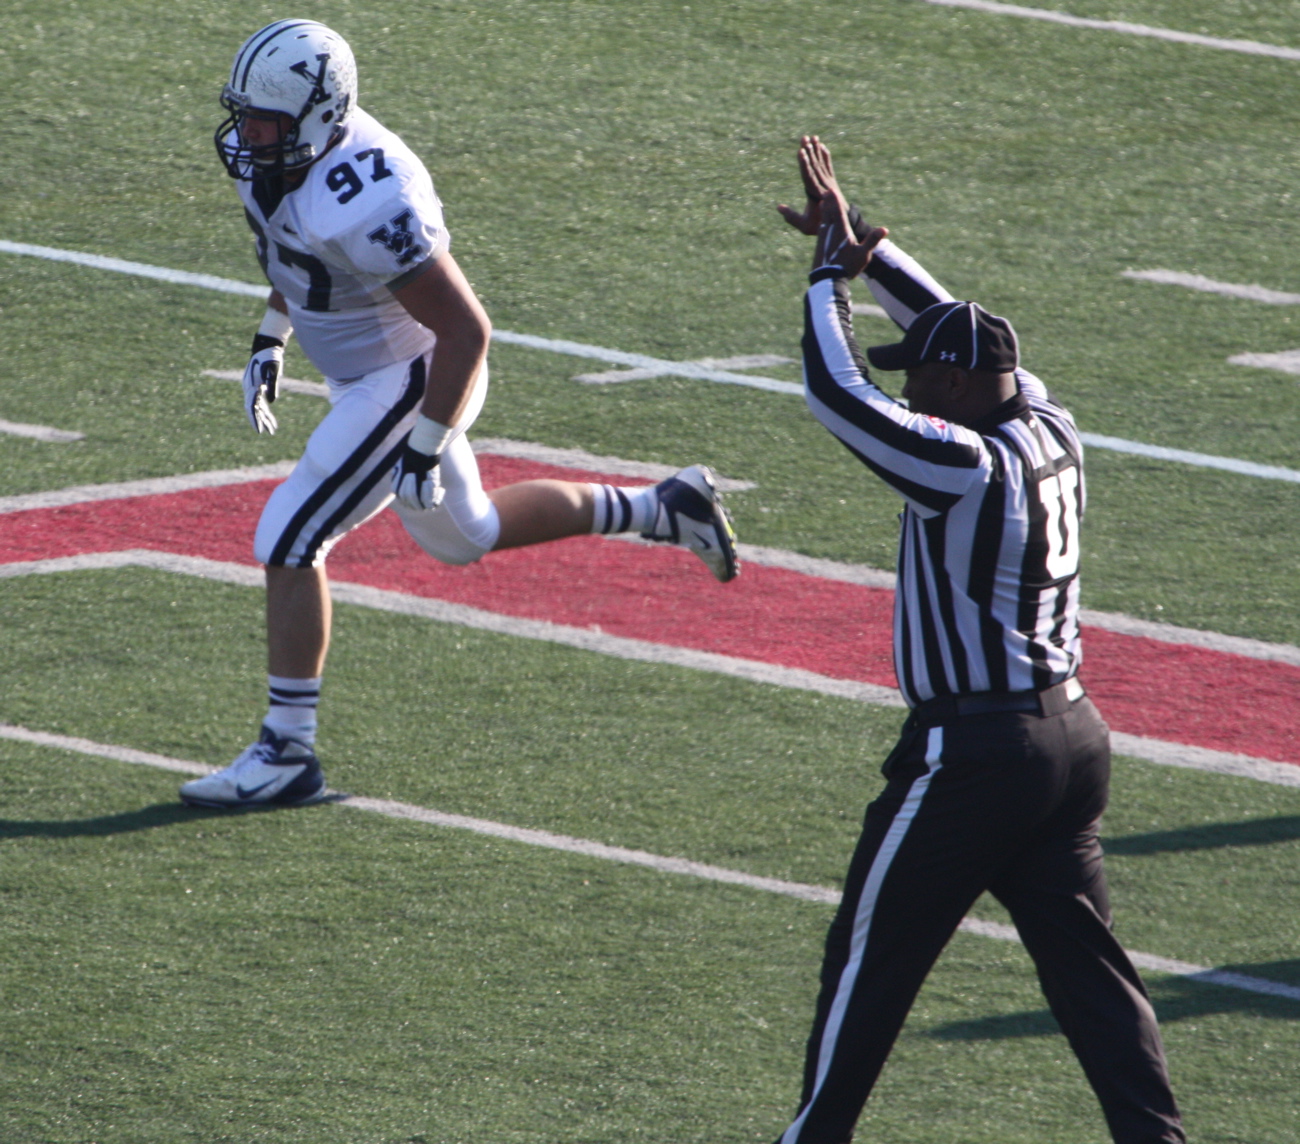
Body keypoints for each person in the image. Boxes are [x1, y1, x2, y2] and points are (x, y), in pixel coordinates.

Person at [179, 20, 738, 809]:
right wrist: (272, 335)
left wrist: (425, 444)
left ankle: (287, 750)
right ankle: (665, 507)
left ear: (318, 116)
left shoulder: (369, 195)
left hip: (416, 373)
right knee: (463, 535)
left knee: (288, 537)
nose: (247, 136)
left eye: (264, 122)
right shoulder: (283, 158)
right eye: (243, 116)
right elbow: (295, 251)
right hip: (369, 375)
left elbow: (467, 329)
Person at [771, 136, 1185, 1144]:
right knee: (1092, 977)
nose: (911, 388)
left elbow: (838, 395)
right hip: (1071, 737)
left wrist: (829, 280)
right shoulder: (1049, 420)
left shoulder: (965, 466)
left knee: (869, 956)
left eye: (921, 377)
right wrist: (869, 248)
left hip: (976, 753)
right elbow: (957, 328)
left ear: (956, 387)